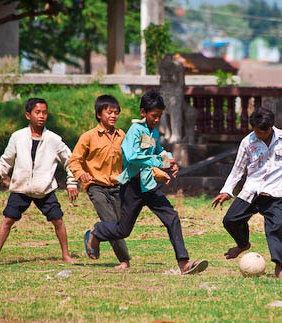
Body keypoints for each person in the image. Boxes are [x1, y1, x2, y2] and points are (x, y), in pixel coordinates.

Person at [84, 90, 208, 275]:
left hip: (149, 185)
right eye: (154, 116)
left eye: (159, 116)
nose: (157, 119)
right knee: (123, 230)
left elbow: (158, 151)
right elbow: (133, 156)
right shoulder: (135, 130)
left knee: (172, 217)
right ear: (143, 112)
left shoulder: (152, 132)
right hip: (132, 188)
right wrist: (160, 163)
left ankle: (184, 263)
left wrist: (170, 163)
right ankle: (96, 233)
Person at [211, 107, 282, 278]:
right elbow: (238, 169)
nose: (259, 135)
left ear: (271, 127)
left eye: (262, 132)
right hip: (252, 191)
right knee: (230, 220)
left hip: (276, 192)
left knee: (278, 228)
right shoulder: (247, 142)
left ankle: (279, 268)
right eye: (256, 131)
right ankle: (243, 244)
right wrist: (227, 191)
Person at [0, 97, 78, 265]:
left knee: (58, 220)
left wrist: (71, 183)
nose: (41, 116)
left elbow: (70, 161)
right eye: (37, 112)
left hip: (44, 189)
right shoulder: (18, 137)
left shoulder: (54, 139)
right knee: (8, 220)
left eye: (44, 112)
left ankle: (65, 254)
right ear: (28, 115)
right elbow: (6, 160)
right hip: (21, 188)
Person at [68, 95, 132, 270]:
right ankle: (124, 261)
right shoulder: (89, 136)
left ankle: (94, 234)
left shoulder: (122, 135)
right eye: (109, 112)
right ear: (99, 114)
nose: (113, 116)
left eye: (117, 113)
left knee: (121, 225)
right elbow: (74, 161)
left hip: (118, 186)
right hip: (96, 186)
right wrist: (81, 174)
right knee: (110, 221)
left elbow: (132, 156)